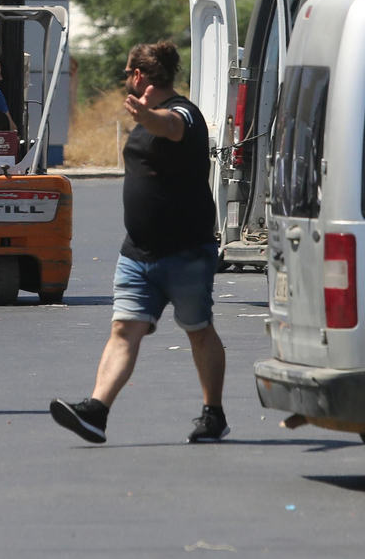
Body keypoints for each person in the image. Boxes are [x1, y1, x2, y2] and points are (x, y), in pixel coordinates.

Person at [49, 41, 229, 444]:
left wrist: (149, 116)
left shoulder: (185, 113)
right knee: (123, 328)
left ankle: (213, 413)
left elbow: (171, 126)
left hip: (185, 251)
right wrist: (147, 118)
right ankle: (96, 412)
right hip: (138, 252)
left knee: (198, 329)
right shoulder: (152, 116)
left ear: (139, 75)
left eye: (128, 73)